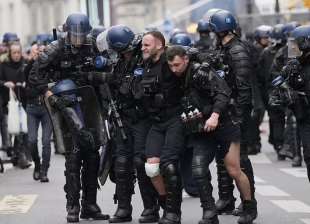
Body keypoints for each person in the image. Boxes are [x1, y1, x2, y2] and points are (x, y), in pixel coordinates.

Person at [29, 13, 109, 223]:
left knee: (92, 156)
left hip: (89, 105)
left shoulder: (92, 45)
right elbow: (35, 76)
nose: (78, 39)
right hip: (65, 105)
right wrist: (51, 96)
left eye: (81, 35)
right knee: (74, 159)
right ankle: (72, 207)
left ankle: (90, 205)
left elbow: (105, 67)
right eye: (74, 35)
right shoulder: (55, 48)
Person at [166, 44, 257, 224]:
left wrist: (214, 116)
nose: (174, 69)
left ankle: (249, 206)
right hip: (201, 130)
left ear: (185, 59)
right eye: (170, 66)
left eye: (177, 65)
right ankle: (209, 211)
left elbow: (223, 93)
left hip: (224, 125)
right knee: (198, 169)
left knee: (234, 170)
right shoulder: (175, 78)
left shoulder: (201, 72)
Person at [105, 25, 160, 223]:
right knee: (121, 163)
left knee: (141, 162)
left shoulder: (143, 59)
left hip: (142, 118)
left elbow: (139, 90)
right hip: (122, 118)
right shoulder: (119, 62)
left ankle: (150, 208)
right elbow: (114, 86)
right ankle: (123, 208)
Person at [209, 10, 257, 221]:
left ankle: (248, 202)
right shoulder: (225, 47)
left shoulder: (237, 50)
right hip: (228, 110)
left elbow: (243, 87)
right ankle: (229, 199)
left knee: (241, 161)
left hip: (238, 112)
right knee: (225, 158)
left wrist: (238, 114)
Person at [141, 31, 185, 224]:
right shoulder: (146, 64)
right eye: (142, 45)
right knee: (151, 168)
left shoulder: (169, 62)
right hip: (156, 122)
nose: (143, 48)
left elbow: (186, 58)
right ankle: (165, 204)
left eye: (146, 45)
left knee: (168, 165)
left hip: (174, 119)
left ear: (160, 45)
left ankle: (174, 212)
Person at [269, 25, 310, 182]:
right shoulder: (292, 66)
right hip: (304, 117)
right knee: (309, 155)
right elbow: (276, 90)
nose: (293, 49)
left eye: (296, 44)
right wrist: (285, 93)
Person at [24, 40, 53, 182]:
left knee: (46, 141)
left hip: (46, 108)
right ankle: (37, 164)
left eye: (42, 51)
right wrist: (32, 60)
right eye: (37, 51)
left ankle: (44, 171)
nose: (40, 53)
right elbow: (25, 79)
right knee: (31, 140)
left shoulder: (50, 66)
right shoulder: (30, 67)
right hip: (32, 108)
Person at [0, 42, 31, 169]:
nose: (17, 55)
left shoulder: (25, 65)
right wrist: (5, 83)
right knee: (11, 128)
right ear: (10, 53)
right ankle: (14, 152)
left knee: (22, 129)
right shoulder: (3, 66)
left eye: (18, 52)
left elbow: (30, 79)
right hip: (7, 102)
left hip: (22, 101)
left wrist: (24, 83)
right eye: (14, 53)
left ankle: (20, 155)